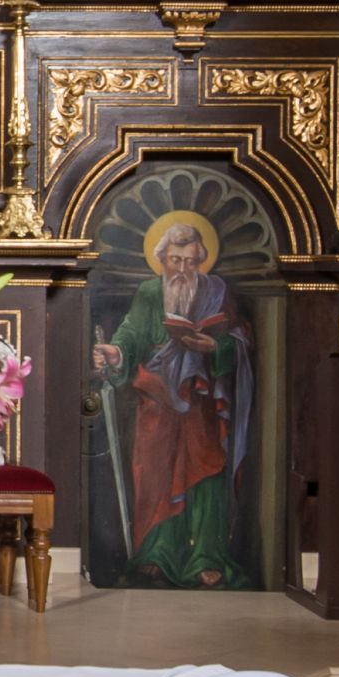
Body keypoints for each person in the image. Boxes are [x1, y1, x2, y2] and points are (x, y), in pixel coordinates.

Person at [93, 211, 253, 586]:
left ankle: (206, 556)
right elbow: (131, 333)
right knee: (155, 474)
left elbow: (240, 338)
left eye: (191, 262)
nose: (182, 269)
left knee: (206, 475)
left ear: (201, 261)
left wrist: (214, 346)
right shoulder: (150, 292)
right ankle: (156, 554)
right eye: (175, 260)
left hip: (202, 401)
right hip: (158, 398)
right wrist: (116, 352)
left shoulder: (217, 291)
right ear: (162, 258)